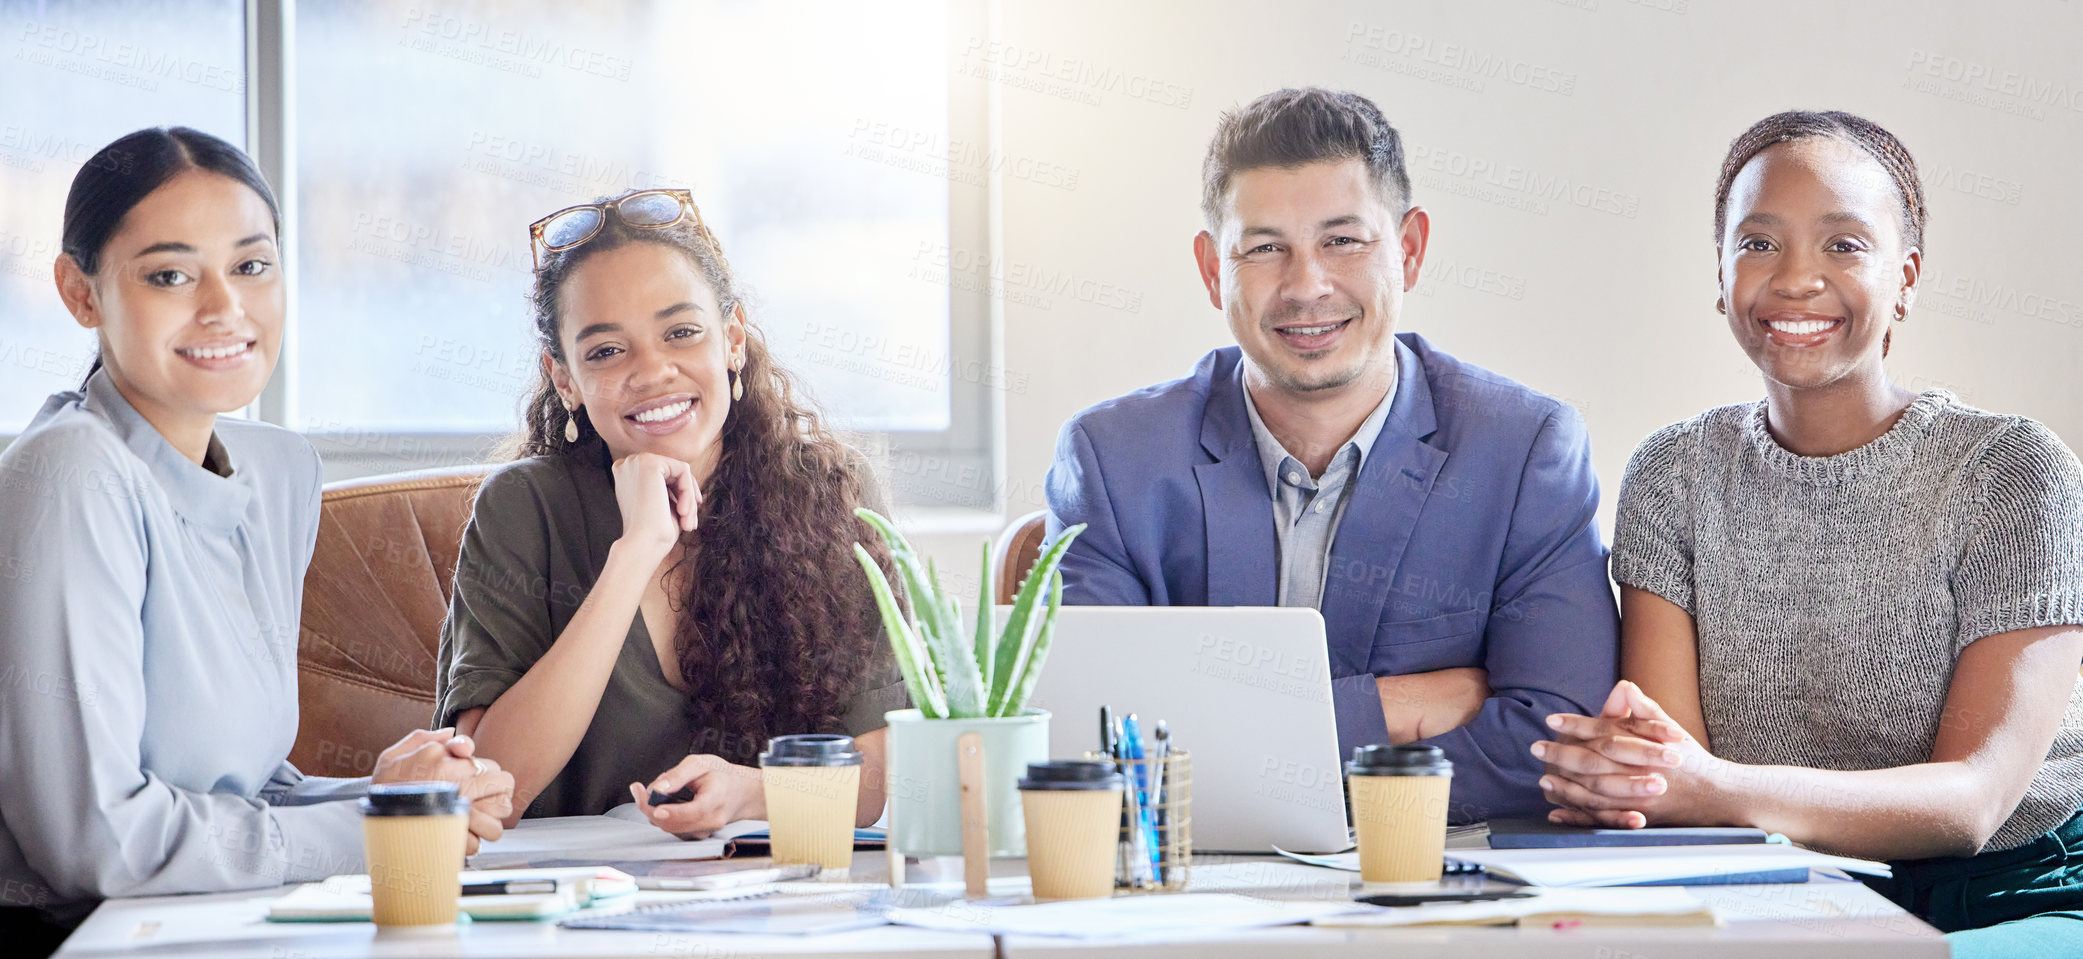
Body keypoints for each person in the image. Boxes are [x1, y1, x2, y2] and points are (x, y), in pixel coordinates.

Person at [1535, 111, 2083, 957]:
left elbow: (1968, 804)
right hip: (1779, 891)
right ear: (1718, 275)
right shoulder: (1673, 474)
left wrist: (1705, 786)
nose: (1794, 279)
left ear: (1904, 277)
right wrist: (1635, 780)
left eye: (1843, 245)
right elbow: (1671, 778)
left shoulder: (2011, 472)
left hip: (2015, 896)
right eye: (1757, 243)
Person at [0, 127, 513, 954]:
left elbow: (246, 787)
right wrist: (379, 824)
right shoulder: (70, 473)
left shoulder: (277, 474)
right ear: (79, 292)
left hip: (205, 923)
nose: (224, 308)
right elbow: (93, 842)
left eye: (251, 266)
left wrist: (409, 796)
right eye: (170, 275)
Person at [1043, 88, 1618, 821]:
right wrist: (1399, 707)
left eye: (1342, 241)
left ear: (1408, 251)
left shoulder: (1522, 451)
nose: (1306, 285)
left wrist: (1228, 742)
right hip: (1192, 899)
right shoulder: (1113, 459)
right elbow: (1093, 746)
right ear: (1211, 267)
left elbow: (1555, 743)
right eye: (1264, 248)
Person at [435, 189, 907, 836]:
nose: (653, 370)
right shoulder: (523, 509)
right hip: (571, 910)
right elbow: (488, 789)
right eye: (605, 350)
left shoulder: (830, 489)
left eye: (681, 333)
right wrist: (635, 553)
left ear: (732, 338)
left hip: (771, 897)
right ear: (564, 377)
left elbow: (879, 773)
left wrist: (751, 793)